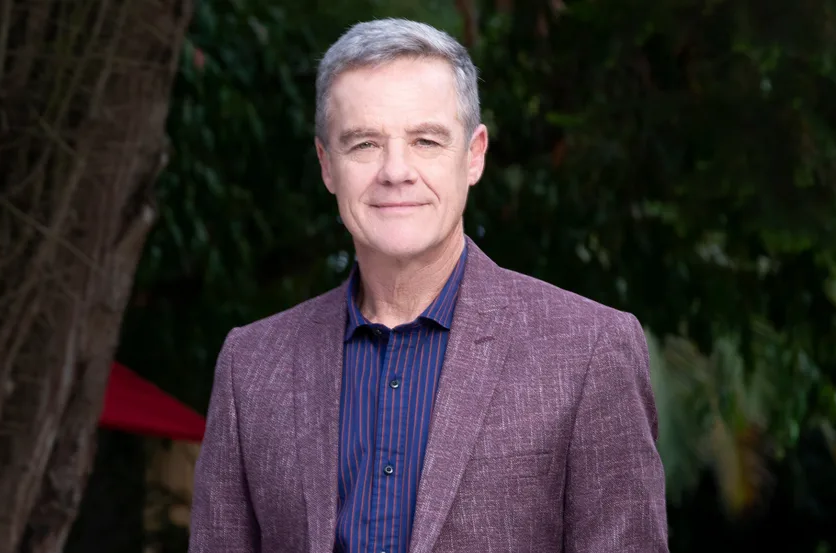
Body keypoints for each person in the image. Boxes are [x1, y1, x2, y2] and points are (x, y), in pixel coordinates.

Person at [189, 18, 669, 553]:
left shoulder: (587, 350)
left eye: (426, 140)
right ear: (327, 165)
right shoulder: (252, 365)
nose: (396, 171)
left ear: (474, 154)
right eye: (365, 143)